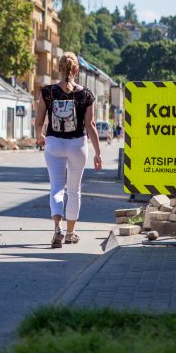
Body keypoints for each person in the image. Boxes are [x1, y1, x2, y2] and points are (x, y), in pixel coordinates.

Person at [35, 52, 103, 248]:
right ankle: (71, 233)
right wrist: (98, 153)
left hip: (54, 143)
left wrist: (40, 135)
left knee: (56, 188)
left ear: (58, 68)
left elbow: (39, 121)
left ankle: (58, 228)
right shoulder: (86, 94)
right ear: (76, 70)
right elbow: (90, 125)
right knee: (74, 191)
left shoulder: (47, 92)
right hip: (78, 145)